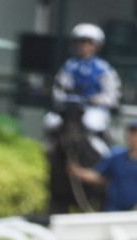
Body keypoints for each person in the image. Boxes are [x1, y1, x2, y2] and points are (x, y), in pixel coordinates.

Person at [68, 119, 137, 240]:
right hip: (115, 211)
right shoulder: (116, 156)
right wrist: (78, 172)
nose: (134, 138)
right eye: (132, 134)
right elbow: (99, 176)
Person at [44, 22, 121, 157]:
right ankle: (48, 151)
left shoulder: (104, 69)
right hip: (70, 108)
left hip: (93, 109)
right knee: (50, 121)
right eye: (80, 42)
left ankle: (105, 156)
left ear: (96, 45)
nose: (83, 46)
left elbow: (113, 96)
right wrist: (64, 99)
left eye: (88, 42)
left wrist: (97, 99)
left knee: (93, 123)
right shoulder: (69, 66)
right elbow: (58, 89)